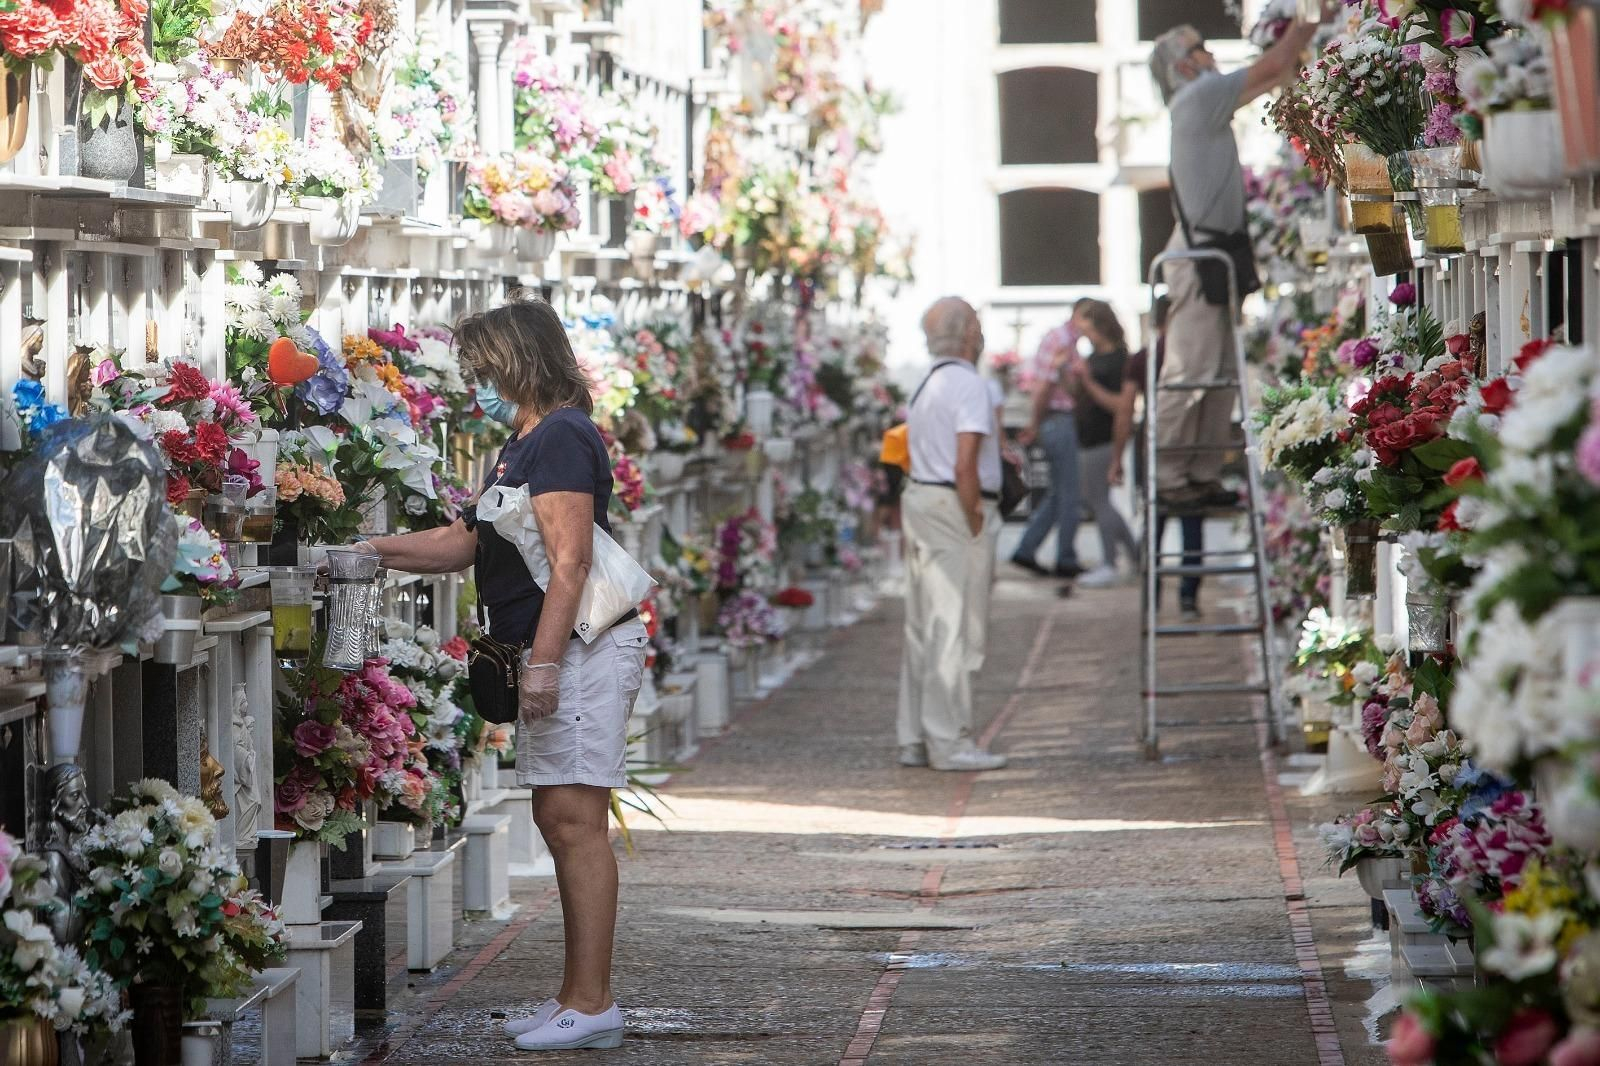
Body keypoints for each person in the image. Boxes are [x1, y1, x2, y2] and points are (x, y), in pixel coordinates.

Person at [351, 298, 645, 1052]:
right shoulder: (522, 440)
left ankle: (594, 1001)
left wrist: (543, 662)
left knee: (577, 823)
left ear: (520, 358)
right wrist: (364, 551)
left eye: (484, 366)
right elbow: (464, 543)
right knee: (558, 818)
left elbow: (571, 560)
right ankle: (575, 996)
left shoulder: (562, 437)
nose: (476, 381)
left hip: (577, 648)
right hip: (556, 651)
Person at [1149, 14, 1326, 510]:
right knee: (1192, 369)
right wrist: (1314, 17)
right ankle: (1166, 474)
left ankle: (1198, 473)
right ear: (1183, 66)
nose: (1210, 54)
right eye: (1201, 47)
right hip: (1202, 251)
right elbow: (1273, 64)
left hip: (1215, 249)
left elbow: (1272, 74)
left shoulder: (1201, 102)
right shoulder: (1198, 97)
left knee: (1220, 368)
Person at [897, 296, 1007, 773]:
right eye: (978, 327)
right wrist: (975, 513)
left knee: (924, 625)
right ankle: (949, 741)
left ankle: (916, 738)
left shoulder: (927, 383)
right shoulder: (969, 385)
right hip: (951, 507)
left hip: (922, 498)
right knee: (954, 625)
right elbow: (966, 462)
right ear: (968, 335)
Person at [1111, 296, 1206, 620]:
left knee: (1154, 522)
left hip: (1152, 444)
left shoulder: (1143, 357)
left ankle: (1151, 599)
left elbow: (1125, 410)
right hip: (1191, 442)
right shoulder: (1195, 356)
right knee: (1192, 523)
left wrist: (1117, 457)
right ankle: (1189, 598)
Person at [1010, 299, 1091, 579]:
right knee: (1068, 493)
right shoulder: (1060, 341)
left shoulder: (1067, 342)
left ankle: (1026, 549)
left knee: (1059, 493)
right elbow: (1045, 385)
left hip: (1056, 419)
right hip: (1057, 419)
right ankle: (1064, 557)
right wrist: (1034, 422)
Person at [1064, 299, 1138, 588]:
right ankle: (1134, 555)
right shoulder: (1093, 356)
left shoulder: (1120, 360)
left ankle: (1110, 562)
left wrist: (1089, 382)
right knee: (1099, 501)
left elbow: (1121, 405)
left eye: (1081, 319)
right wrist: (1067, 374)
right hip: (1088, 437)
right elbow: (1077, 392)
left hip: (1104, 439)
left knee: (1101, 502)